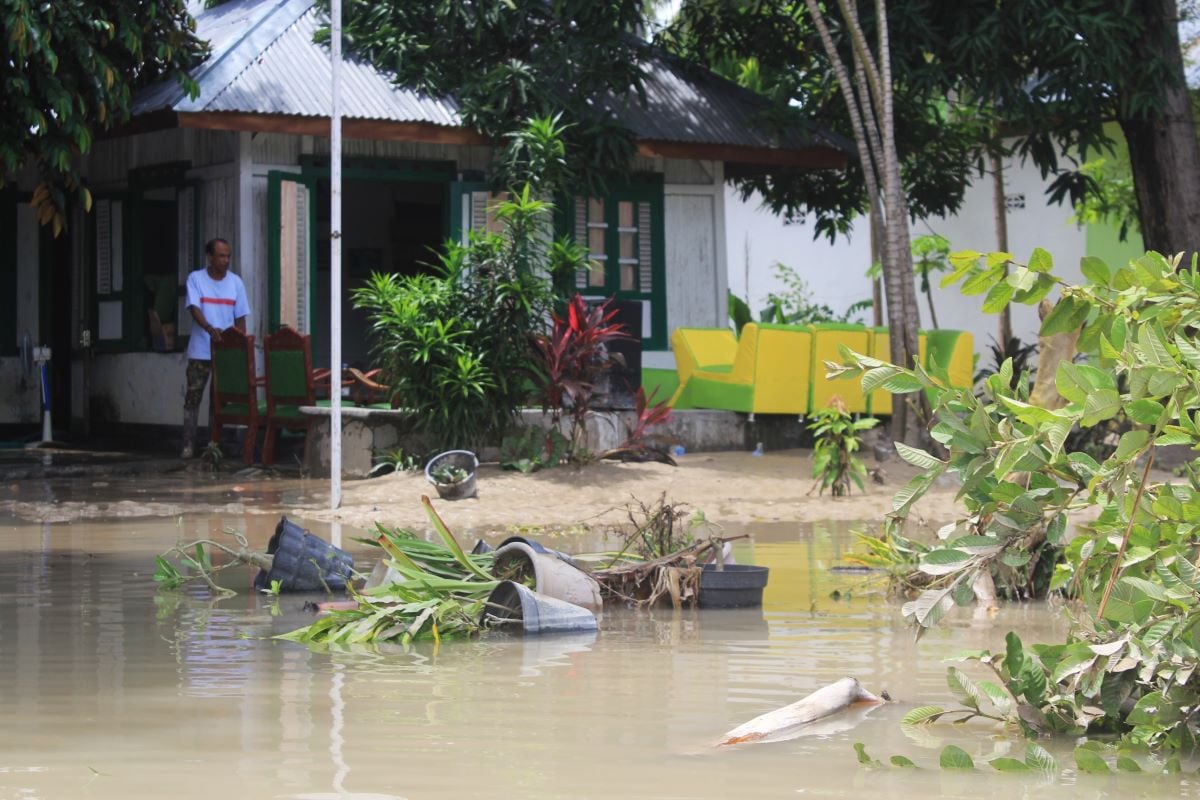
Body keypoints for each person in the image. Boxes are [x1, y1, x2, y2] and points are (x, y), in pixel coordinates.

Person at [180, 238, 250, 458]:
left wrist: (240, 346)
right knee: (193, 396)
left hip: (226, 353)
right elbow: (194, 308)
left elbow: (240, 318)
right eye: (221, 256)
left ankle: (213, 446)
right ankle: (188, 444)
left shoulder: (236, 283)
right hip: (201, 350)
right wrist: (210, 328)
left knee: (219, 399)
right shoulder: (196, 279)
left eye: (228, 256)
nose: (226, 260)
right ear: (210, 257)